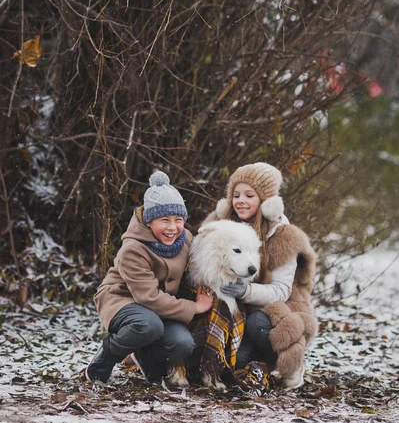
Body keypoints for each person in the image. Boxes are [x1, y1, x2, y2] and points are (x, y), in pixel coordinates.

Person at [86, 171, 213, 384]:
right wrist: (195, 308)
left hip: (160, 308)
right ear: (149, 221)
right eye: (164, 220)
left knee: (183, 343)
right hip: (123, 300)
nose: (172, 228)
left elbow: (198, 267)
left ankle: (144, 355)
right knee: (148, 325)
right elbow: (148, 298)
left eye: (178, 220)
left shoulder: (186, 239)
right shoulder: (133, 249)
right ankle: (107, 356)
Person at [201, 162, 318, 390]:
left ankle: (290, 364)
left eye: (249, 195)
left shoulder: (283, 236)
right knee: (237, 365)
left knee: (257, 324)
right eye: (236, 195)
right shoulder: (220, 225)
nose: (241, 201)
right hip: (232, 309)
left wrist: (246, 291)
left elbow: (281, 290)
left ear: (266, 202)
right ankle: (252, 363)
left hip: (271, 308)